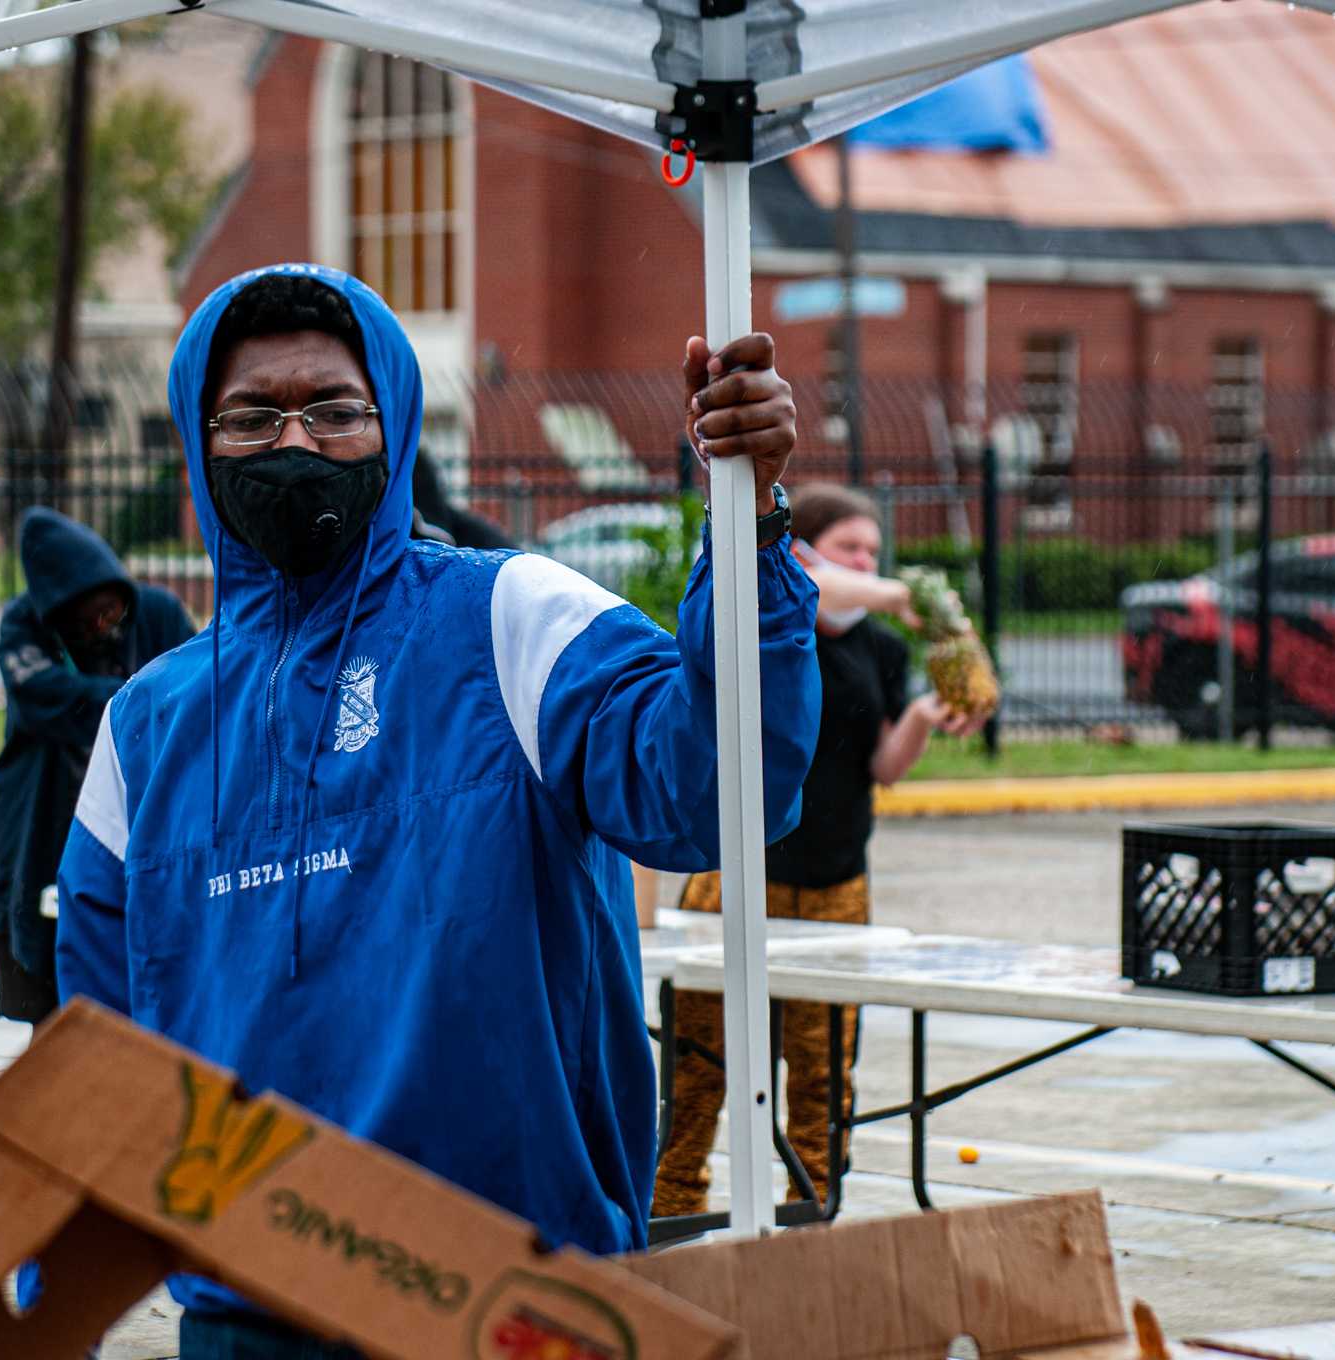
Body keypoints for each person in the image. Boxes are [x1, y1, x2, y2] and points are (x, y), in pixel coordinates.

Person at [54, 263, 820, 1358]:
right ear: (197, 437)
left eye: (334, 409)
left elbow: (714, 792)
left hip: (519, 1305)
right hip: (248, 1316)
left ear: (395, 422)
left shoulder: (511, 619)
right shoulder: (144, 728)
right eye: (252, 416)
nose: (296, 443)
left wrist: (746, 526)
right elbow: (96, 1064)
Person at [651, 483, 986, 1217]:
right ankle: (672, 1206)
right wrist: (911, 592)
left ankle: (813, 1209)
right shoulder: (767, 615)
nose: (865, 562)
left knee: (821, 1070)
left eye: (874, 549)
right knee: (702, 1064)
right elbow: (809, 585)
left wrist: (927, 716)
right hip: (742, 879)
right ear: (801, 550)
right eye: (849, 548)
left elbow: (883, 769)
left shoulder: (881, 649)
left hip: (837, 885)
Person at [0, 506, 195, 1029]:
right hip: (34, 842)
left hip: (139, 844)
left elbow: (198, 701)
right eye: (90, 618)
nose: (105, 625)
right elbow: (46, 700)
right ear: (61, 614)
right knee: (55, 1025)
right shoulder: (25, 627)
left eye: (113, 611)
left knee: (135, 1011)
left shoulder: (159, 615)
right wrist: (142, 706)